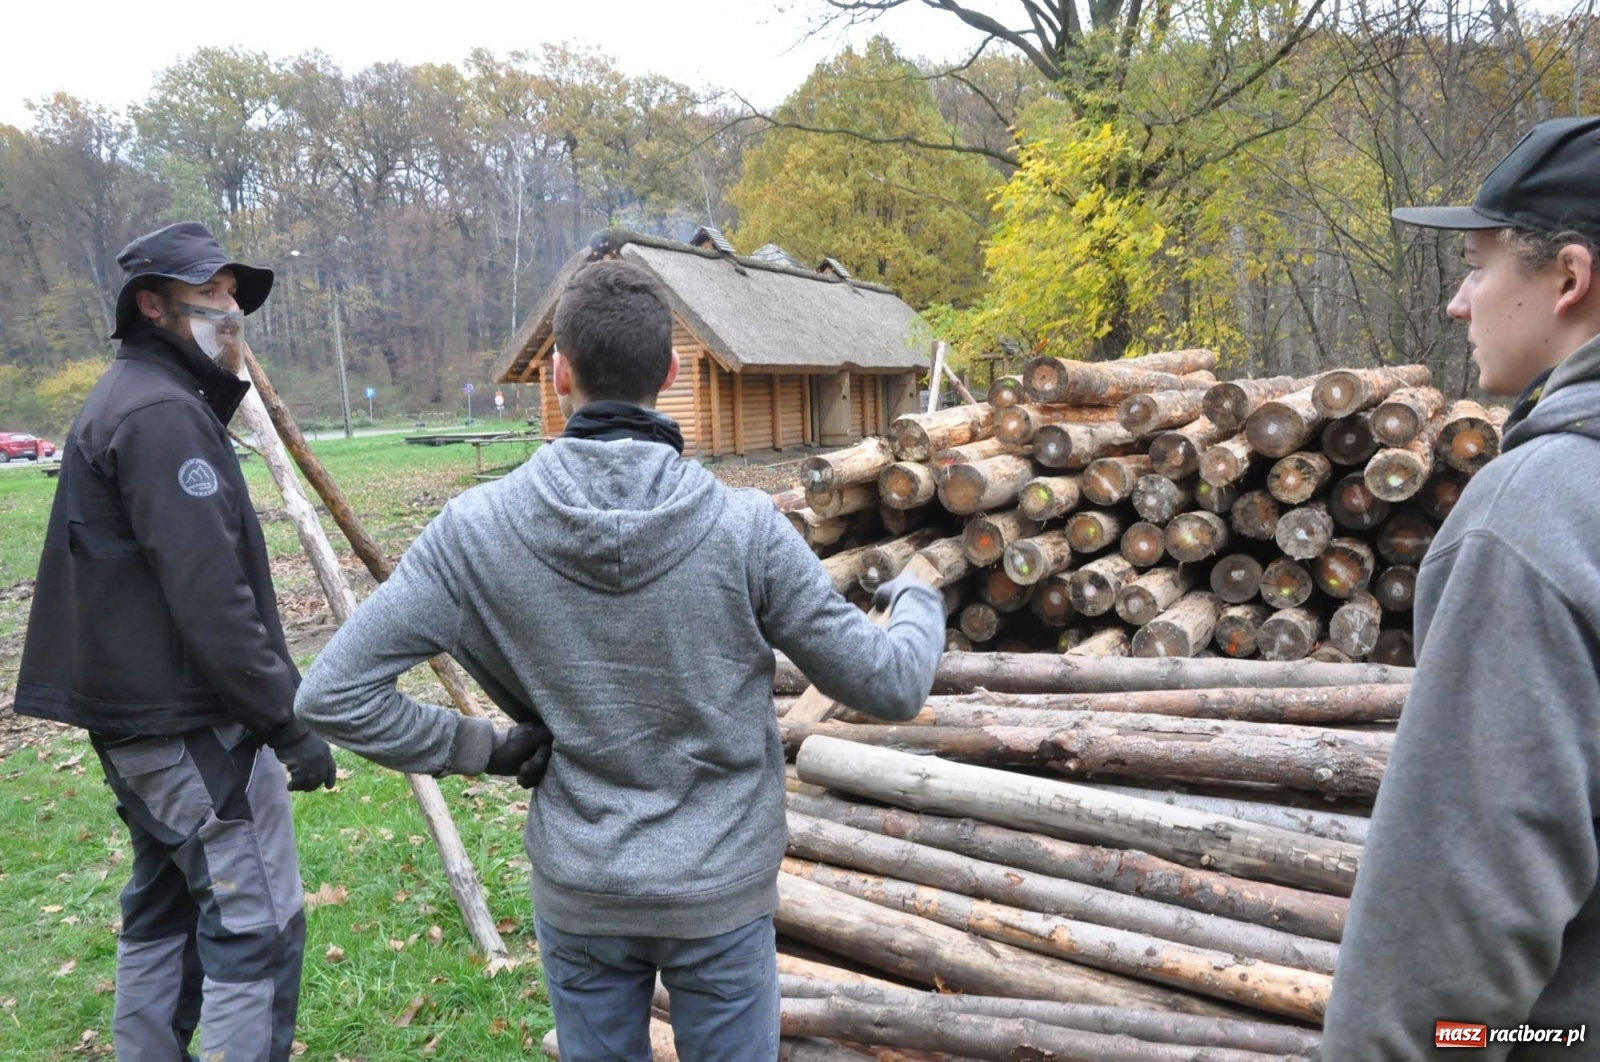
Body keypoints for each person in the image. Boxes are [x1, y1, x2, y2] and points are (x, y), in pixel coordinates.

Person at [294, 256, 946, 1061]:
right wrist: (920, 595)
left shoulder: (474, 531)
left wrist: (488, 750)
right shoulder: (746, 531)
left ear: (559, 373)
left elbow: (333, 694)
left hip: (583, 888)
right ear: (671, 373)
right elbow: (891, 683)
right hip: (719, 889)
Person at [12, 222, 337, 1060]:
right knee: (255, 924)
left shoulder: (137, 397)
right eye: (209, 294)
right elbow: (209, 592)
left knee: (166, 908)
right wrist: (286, 722)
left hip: (139, 720)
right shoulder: (160, 414)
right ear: (152, 306)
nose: (229, 310)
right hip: (190, 727)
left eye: (232, 294)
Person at [1324, 118, 1600, 1057]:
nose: (1456, 302)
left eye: (1478, 267)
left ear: (1569, 278)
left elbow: (1448, 955)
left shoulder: (1537, 518)